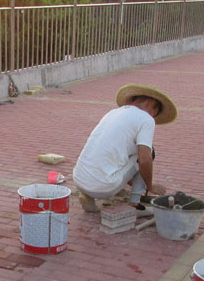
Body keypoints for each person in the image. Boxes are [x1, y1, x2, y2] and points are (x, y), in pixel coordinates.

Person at [72, 84, 177, 213]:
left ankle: (88, 194)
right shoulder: (146, 119)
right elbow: (144, 160)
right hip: (103, 187)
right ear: (151, 102)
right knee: (149, 151)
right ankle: (135, 203)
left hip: (79, 179)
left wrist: (132, 180)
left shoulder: (113, 113)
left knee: (123, 152)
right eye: (156, 113)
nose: (154, 117)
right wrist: (150, 186)